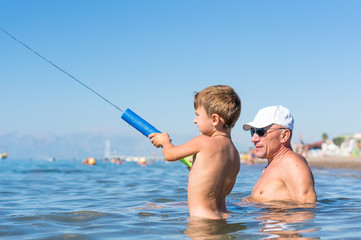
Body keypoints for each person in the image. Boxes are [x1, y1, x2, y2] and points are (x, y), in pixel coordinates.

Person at [149, 85, 241, 219]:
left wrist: (165, 142)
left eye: (197, 115)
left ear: (214, 119)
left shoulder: (203, 141)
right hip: (224, 217)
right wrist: (197, 169)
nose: (194, 120)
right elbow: (225, 190)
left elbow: (170, 155)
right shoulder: (234, 154)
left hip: (202, 221)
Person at [242, 105, 316, 204]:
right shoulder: (272, 166)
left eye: (261, 131)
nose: (253, 139)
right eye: (252, 132)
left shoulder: (291, 163)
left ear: (284, 135)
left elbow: (306, 208)